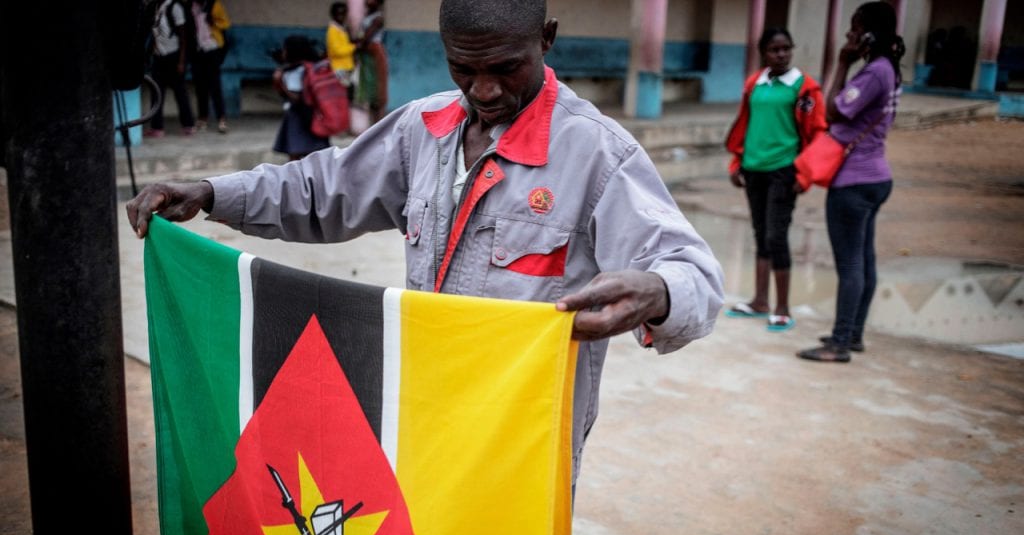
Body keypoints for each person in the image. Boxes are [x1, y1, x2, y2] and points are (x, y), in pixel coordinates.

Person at [126, 0, 725, 488]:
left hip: (521, 439)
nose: (484, 91)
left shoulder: (598, 153)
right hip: (419, 409)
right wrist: (212, 191)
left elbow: (693, 272)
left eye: (505, 69)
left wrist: (659, 290)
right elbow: (319, 189)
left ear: (547, 38)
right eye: (463, 70)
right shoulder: (423, 128)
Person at [798, 1, 903, 362]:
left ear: (869, 34)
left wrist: (842, 61)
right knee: (864, 261)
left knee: (851, 265)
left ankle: (839, 343)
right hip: (875, 176)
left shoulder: (874, 72)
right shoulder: (888, 69)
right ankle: (852, 334)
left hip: (854, 181)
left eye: (855, 28)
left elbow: (832, 110)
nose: (849, 34)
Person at [724, 27, 826, 332]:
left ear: (792, 50)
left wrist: (805, 173)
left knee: (776, 235)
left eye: (785, 49)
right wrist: (736, 162)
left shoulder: (805, 88)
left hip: (784, 169)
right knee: (759, 233)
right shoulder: (755, 83)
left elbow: (817, 132)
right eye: (774, 50)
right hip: (753, 167)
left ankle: (782, 307)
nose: (781, 54)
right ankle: (759, 301)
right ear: (763, 53)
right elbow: (746, 124)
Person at [271, 35, 330, 161]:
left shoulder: (294, 71)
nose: (283, 52)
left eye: (285, 49)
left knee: (295, 155)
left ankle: (296, 180)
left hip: (298, 117)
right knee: (316, 157)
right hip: (314, 116)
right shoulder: (313, 67)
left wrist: (280, 84)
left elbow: (297, 98)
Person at [147, 0, 197, 137]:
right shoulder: (155, 7)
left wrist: (181, 62)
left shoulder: (174, 7)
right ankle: (157, 128)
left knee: (180, 92)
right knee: (156, 92)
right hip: (159, 57)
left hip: (174, 56)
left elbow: (183, 37)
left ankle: (188, 125)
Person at [190, 0, 232, 134]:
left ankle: (221, 119)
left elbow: (225, 23)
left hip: (212, 48)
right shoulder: (191, 6)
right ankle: (203, 119)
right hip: (198, 50)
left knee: (215, 87)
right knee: (200, 87)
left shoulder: (214, 5)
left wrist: (213, 21)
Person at [353, 0, 388, 125]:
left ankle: (380, 124)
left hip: (375, 54)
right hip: (367, 55)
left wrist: (355, 43)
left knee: (378, 91)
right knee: (370, 92)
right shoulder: (368, 16)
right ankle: (374, 125)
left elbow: (366, 38)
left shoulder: (378, 18)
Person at [326, 2, 356, 90]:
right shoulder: (333, 31)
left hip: (346, 66)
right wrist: (354, 47)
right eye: (338, 14)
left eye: (343, 14)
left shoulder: (342, 29)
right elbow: (337, 51)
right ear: (333, 15)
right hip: (338, 67)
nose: (341, 17)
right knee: (343, 92)